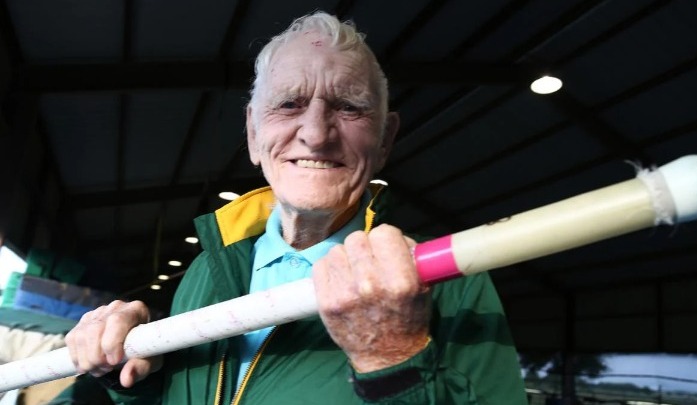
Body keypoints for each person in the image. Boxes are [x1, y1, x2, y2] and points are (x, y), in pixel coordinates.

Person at [58, 11, 528, 405]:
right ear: (252, 134)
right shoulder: (208, 269)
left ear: (385, 139)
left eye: (349, 107)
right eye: (288, 104)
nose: (317, 134)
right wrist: (132, 370)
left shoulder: (448, 281)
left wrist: (392, 360)